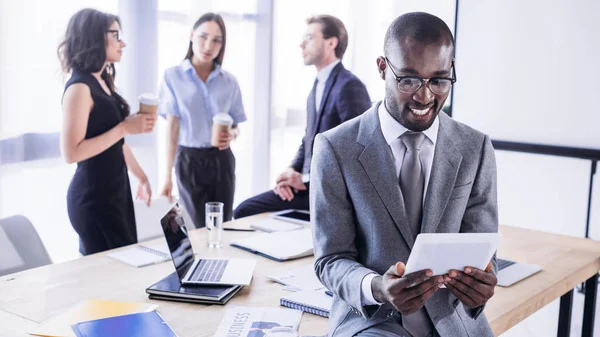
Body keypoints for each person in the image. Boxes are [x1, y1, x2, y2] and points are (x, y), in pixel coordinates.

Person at [311, 12, 498, 337]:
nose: (425, 97)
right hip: (373, 320)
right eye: (409, 79)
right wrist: (376, 287)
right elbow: (331, 260)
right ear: (383, 67)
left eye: (439, 80)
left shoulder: (475, 148)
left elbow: (484, 250)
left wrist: (482, 283)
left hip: (455, 323)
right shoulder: (335, 148)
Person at [234, 15, 371, 219]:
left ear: (331, 42)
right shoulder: (317, 87)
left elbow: (359, 150)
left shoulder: (349, 85)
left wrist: (305, 179)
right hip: (308, 186)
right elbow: (309, 139)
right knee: (245, 210)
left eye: (309, 38)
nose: (301, 44)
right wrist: (290, 172)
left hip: (332, 191)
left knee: (246, 210)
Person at [59, 8, 156, 256]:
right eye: (116, 35)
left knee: (123, 267)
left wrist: (141, 176)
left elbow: (117, 142)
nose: (122, 43)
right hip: (94, 197)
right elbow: (71, 152)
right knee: (110, 276)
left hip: (114, 191)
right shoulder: (79, 88)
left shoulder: (102, 80)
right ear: (95, 38)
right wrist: (125, 126)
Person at [158, 13, 246, 228]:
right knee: (198, 226)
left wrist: (231, 135)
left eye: (217, 40)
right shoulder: (173, 76)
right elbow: (172, 128)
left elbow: (236, 126)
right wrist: (167, 176)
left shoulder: (230, 81)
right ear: (191, 36)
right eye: (203, 37)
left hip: (222, 160)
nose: (208, 45)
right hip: (189, 159)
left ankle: (222, 262)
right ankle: (202, 263)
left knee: (223, 225)